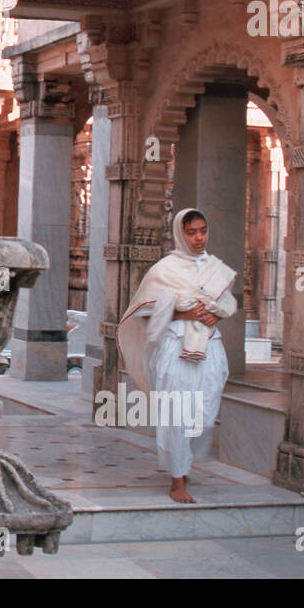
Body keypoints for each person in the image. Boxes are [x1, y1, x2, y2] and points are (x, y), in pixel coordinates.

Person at [116, 208, 237, 502]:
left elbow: (227, 302)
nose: (198, 238)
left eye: (203, 231)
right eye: (191, 232)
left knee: (205, 415)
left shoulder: (215, 268)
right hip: (176, 348)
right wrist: (182, 311)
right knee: (177, 413)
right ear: (180, 234)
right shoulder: (164, 270)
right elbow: (143, 312)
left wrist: (215, 317)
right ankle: (177, 481)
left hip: (208, 346)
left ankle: (184, 465)